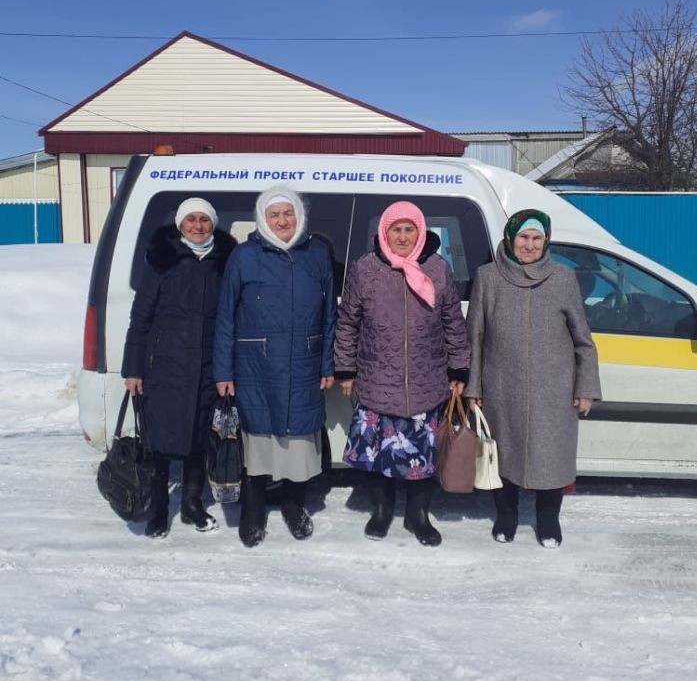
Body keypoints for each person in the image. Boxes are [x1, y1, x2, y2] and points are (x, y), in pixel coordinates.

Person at [334, 201, 470, 546]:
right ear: (384, 232)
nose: (403, 236)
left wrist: (459, 368)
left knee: (422, 456)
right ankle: (381, 512)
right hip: (377, 379)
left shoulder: (438, 269)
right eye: (397, 229)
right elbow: (348, 323)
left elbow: (453, 323)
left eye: (410, 229)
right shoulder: (365, 269)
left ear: (422, 232)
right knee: (382, 457)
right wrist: (346, 370)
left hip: (427, 380)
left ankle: (417, 516)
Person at [464, 208, 602, 548]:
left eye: (536, 238)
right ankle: (506, 516)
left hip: (554, 390)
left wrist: (585, 388)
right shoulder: (489, 277)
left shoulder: (562, 278)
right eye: (523, 237)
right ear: (511, 238)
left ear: (546, 241)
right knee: (502, 455)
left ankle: (548, 519)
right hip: (500, 387)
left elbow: (583, 340)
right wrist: (473, 386)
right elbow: (475, 337)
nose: (529, 245)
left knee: (551, 457)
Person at [214, 187, 335, 547]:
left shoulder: (316, 254)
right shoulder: (244, 256)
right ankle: (252, 510)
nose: (282, 221)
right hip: (255, 366)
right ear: (262, 219)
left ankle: (293, 505)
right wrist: (224, 371)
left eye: (289, 213)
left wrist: (327, 362)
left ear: (299, 216)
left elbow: (331, 316)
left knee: (298, 442)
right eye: (274, 215)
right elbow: (225, 318)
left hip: (304, 362)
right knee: (258, 442)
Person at [122, 198, 236, 538]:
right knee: (160, 443)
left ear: (213, 224)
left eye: (204, 220)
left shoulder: (225, 262)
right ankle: (159, 510)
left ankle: (190, 506)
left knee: (199, 441)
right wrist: (133, 368)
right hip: (164, 368)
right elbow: (140, 318)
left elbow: (232, 318)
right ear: (180, 224)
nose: (198, 226)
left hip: (207, 367)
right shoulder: (162, 260)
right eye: (191, 220)